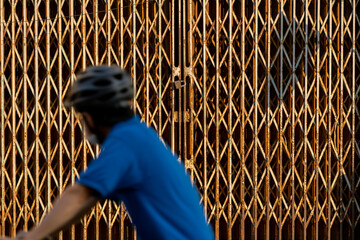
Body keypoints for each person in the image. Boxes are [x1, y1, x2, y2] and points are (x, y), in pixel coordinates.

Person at [0, 65, 214, 240]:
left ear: (91, 116)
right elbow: (88, 200)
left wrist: (32, 237)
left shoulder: (127, 142)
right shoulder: (138, 134)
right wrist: (43, 233)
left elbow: (79, 194)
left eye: (82, 117)